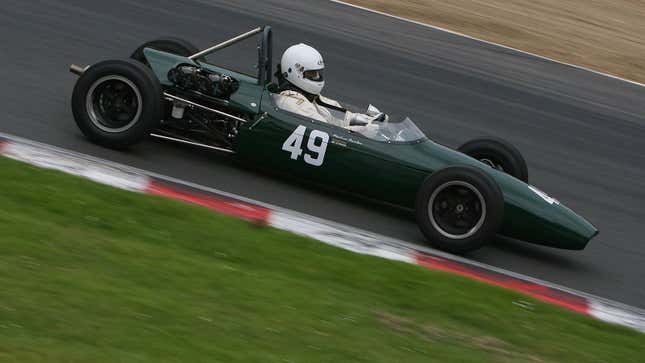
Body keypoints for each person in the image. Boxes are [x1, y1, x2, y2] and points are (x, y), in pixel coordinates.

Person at [274, 43, 384, 131]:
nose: (317, 77)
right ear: (293, 71)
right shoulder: (293, 103)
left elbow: (339, 116)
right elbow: (326, 133)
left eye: (317, 73)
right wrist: (361, 131)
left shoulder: (310, 97)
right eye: (312, 74)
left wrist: (368, 120)